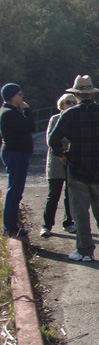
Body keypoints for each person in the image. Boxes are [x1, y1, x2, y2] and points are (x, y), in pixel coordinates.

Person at [49, 75, 99, 262]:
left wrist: (62, 155)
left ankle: (85, 250)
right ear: (92, 94)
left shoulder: (69, 114)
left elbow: (53, 139)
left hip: (77, 169)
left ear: (76, 95)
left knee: (80, 211)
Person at [0, 83, 35, 238]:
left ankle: (10, 225)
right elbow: (30, 127)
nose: (22, 97)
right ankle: (10, 227)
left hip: (16, 153)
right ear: (12, 96)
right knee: (14, 191)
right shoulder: (9, 113)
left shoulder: (11, 112)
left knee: (15, 190)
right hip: (16, 154)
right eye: (20, 94)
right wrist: (27, 110)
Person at [40, 94, 77, 237]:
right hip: (56, 161)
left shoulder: (77, 119)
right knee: (53, 195)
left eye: (74, 102)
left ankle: (69, 222)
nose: (71, 104)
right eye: (68, 102)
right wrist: (63, 149)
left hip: (72, 161)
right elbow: (51, 139)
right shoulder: (55, 119)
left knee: (70, 195)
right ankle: (47, 225)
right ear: (61, 105)